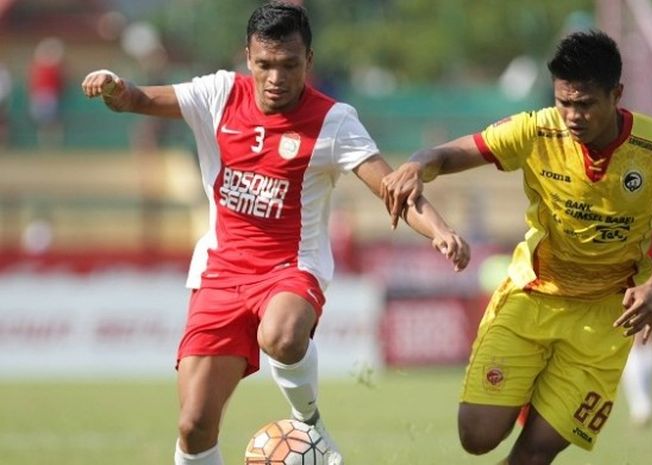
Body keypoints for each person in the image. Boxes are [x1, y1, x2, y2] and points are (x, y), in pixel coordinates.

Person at [82, 3, 469, 465]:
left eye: (289, 65)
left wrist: (440, 230)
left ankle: (310, 426)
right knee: (193, 426)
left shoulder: (334, 121)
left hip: (290, 269)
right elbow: (138, 99)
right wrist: (112, 84)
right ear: (248, 56)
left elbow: (391, 188)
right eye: (265, 64)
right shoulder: (218, 94)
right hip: (219, 274)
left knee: (282, 335)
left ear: (309, 60)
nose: (276, 78)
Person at [381, 30, 652, 465]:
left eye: (584, 104)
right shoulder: (535, 129)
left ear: (616, 94)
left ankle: (545, 399)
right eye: (564, 102)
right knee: (477, 435)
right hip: (533, 295)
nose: (572, 115)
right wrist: (417, 165)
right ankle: (532, 389)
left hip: (605, 317)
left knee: (535, 453)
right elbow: (450, 153)